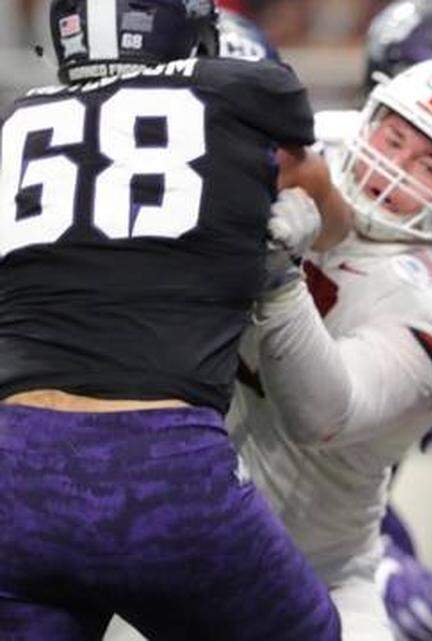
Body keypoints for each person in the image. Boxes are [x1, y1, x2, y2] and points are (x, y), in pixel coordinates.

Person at [0, 1, 340, 639]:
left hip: (13, 465)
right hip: (158, 464)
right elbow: (325, 202)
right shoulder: (247, 92)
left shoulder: (17, 120)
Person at [227, 55, 432, 641]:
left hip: (316, 569)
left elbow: (323, 415)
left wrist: (282, 278)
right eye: (393, 137)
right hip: (172, 535)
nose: (393, 169)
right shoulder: (317, 145)